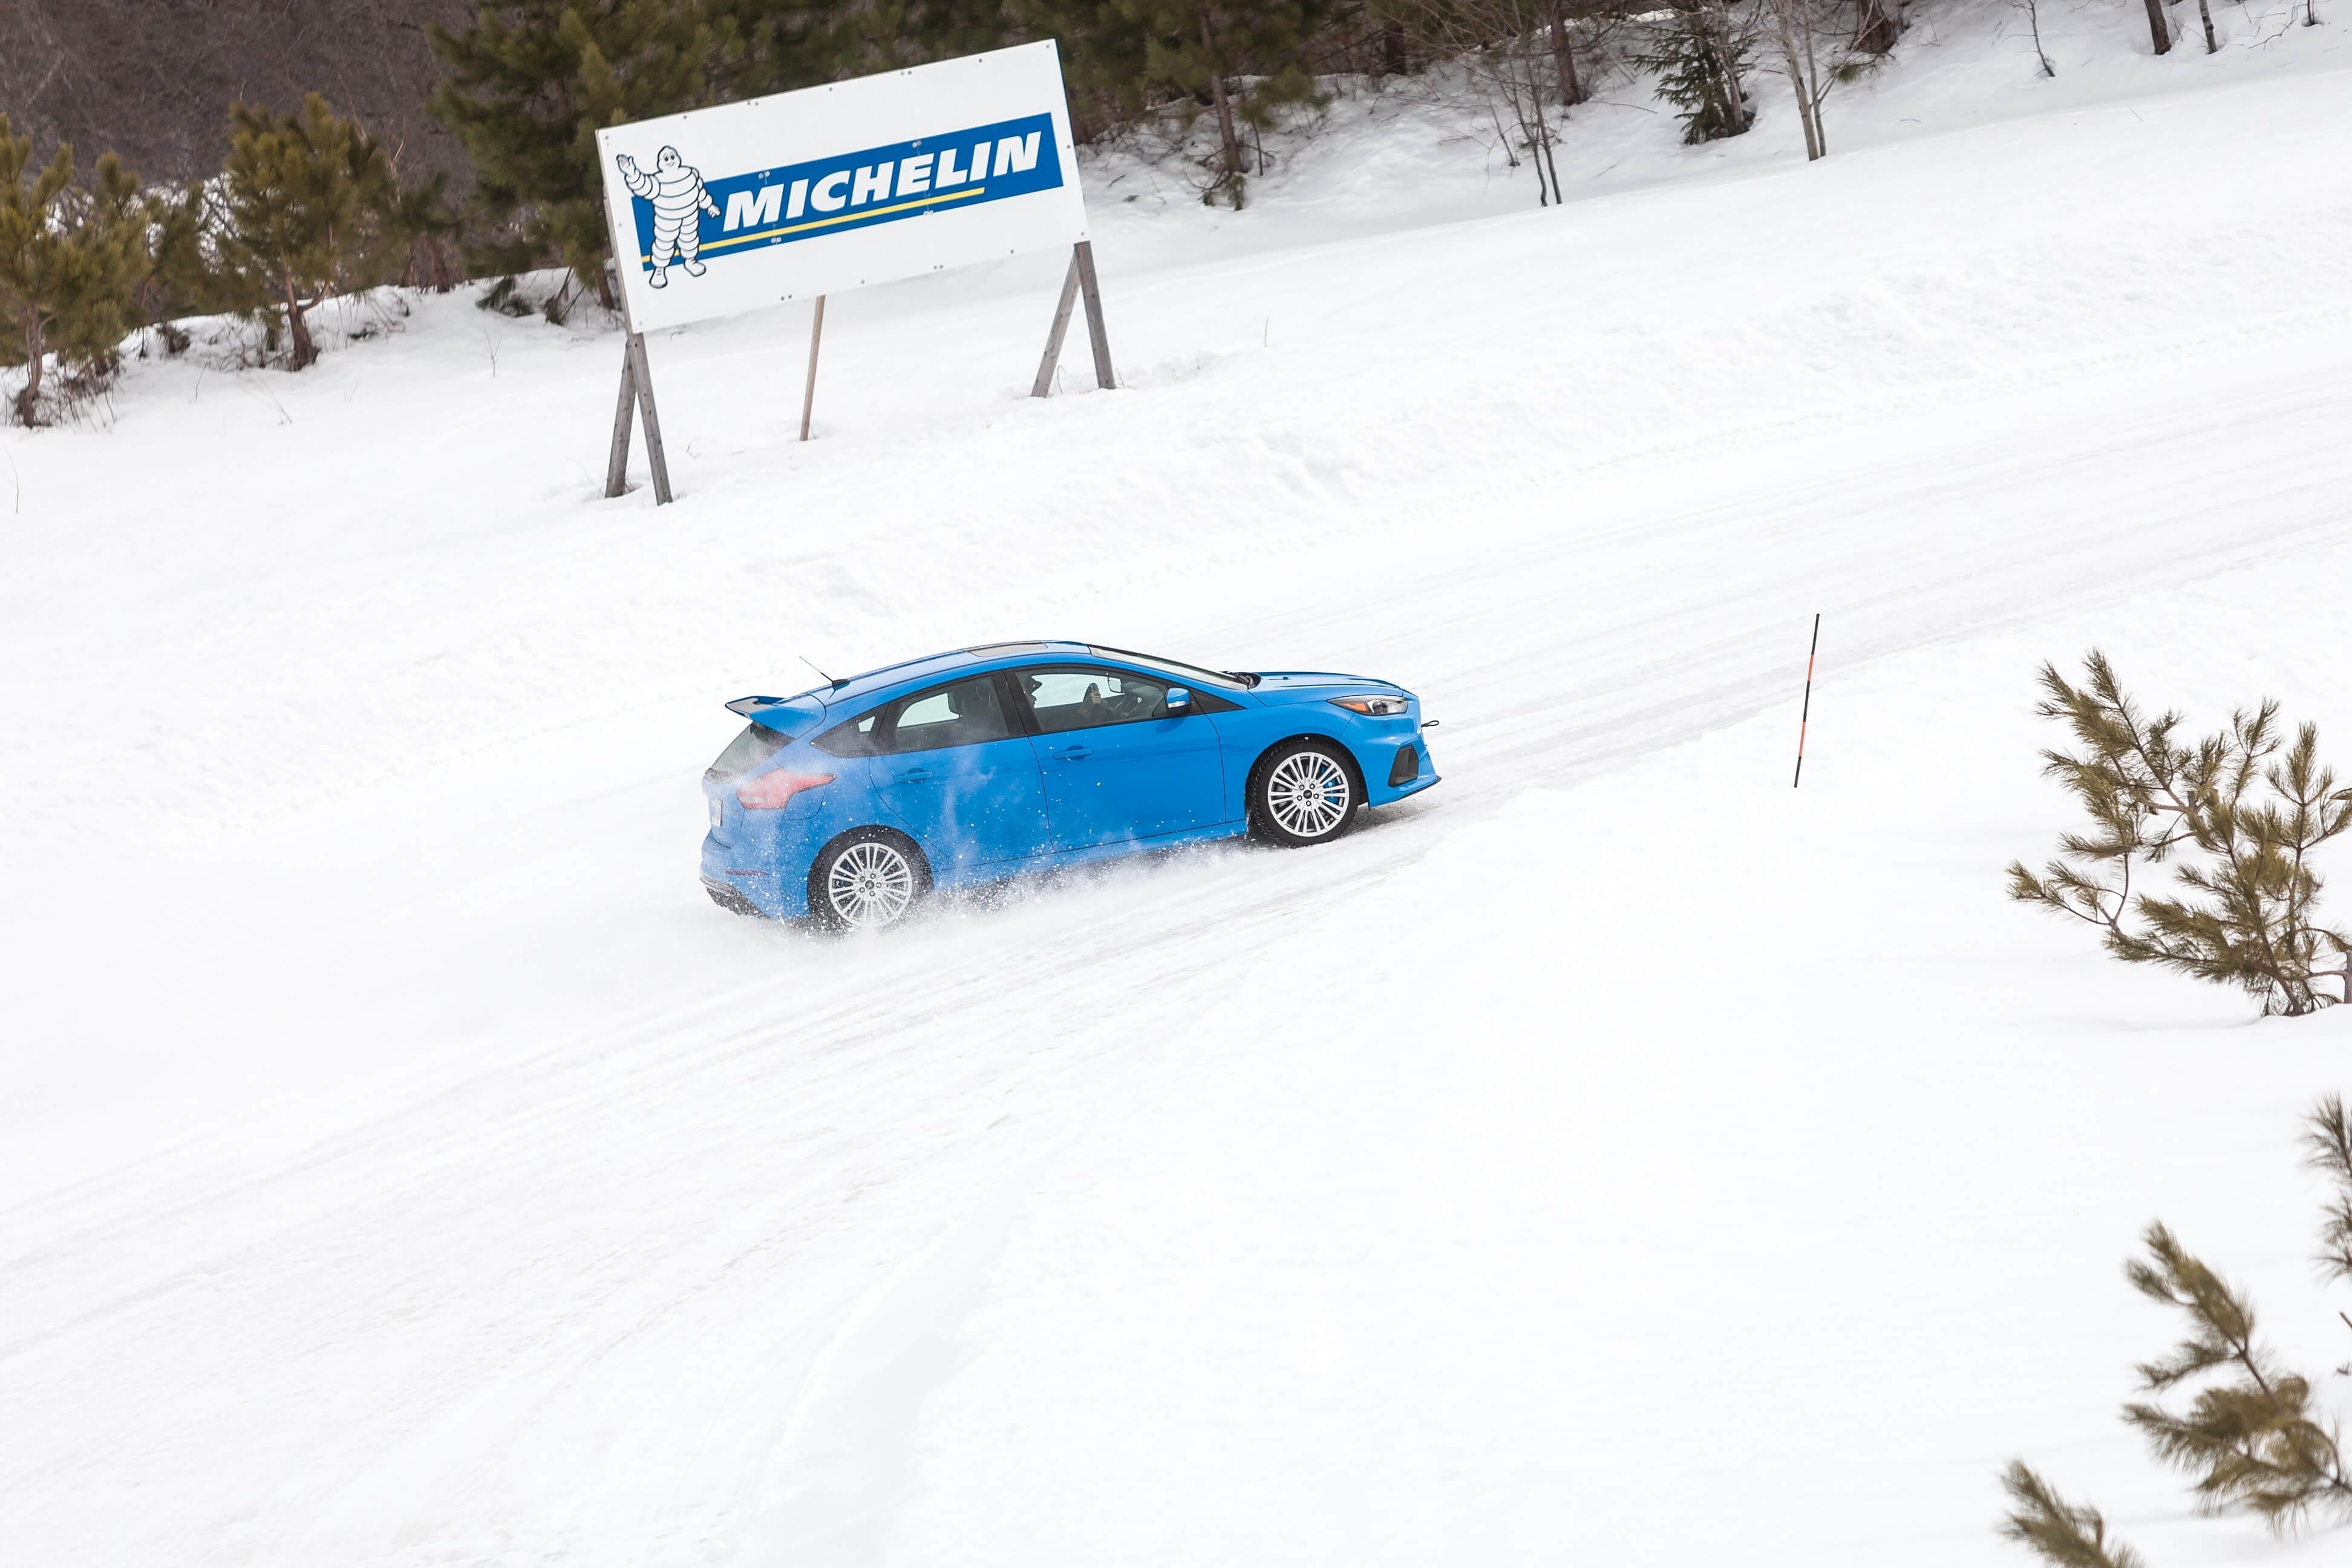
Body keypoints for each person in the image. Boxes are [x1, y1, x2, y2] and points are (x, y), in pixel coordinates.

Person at [615, 148, 721, 289]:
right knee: (664, 244)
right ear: (660, 163)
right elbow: (643, 186)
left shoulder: (691, 174)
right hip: (667, 221)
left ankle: (690, 261)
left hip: (690, 217)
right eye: (666, 159)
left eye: (672, 157)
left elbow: (700, 192)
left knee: (690, 239)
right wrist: (632, 173)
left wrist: (709, 206)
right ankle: (659, 270)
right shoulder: (658, 181)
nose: (670, 160)